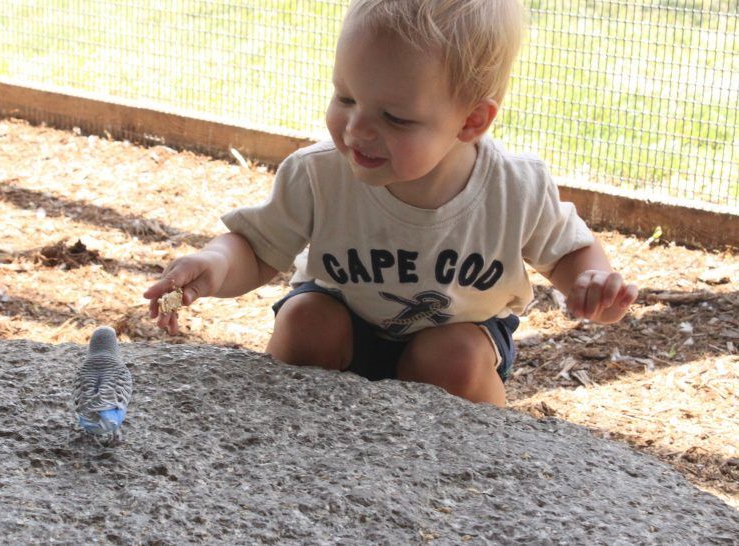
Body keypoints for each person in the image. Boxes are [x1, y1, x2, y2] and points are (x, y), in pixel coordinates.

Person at [143, 0, 637, 407]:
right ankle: (289, 439)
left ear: (471, 121)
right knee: (305, 319)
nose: (357, 129)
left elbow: (572, 253)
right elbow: (255, 247)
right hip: (345, 324)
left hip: (456, 338)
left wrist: (596, 289)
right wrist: (213, 263)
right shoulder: (319, 173)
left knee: (452, 357)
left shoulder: (515, 188)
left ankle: (485, 461)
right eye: (346, 97)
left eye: (395, 118)